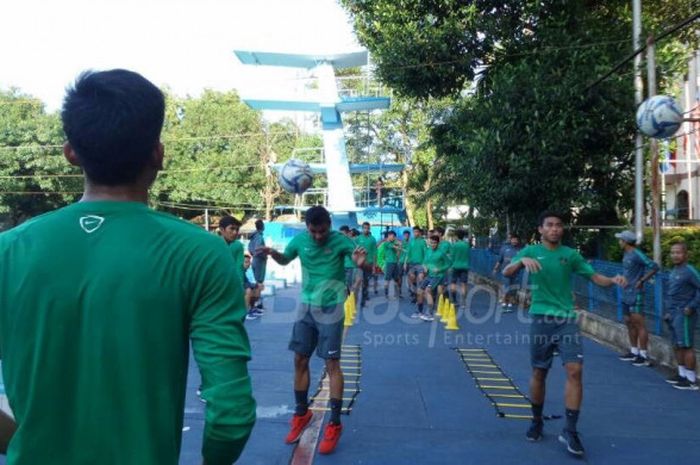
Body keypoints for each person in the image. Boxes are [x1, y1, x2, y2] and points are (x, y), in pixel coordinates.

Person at [0, 69, 255, 465]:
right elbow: (231, 413)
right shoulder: (201, 253)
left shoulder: (8, 250)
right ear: (158, 153)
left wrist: (23, 444)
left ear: (71, 153)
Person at [503, 211, 625, 457]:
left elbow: (593, 276)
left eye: (559, 225)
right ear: (541, 229)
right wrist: (520, 262)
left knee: (575, 370)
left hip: (566, 319)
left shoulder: (570, 255)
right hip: (541, 318)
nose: (555, 229)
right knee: (539, 371)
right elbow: (507, 272)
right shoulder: (530, 251)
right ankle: (537, 420)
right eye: (549, 225)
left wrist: (612, 279)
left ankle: (570, 430)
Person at [259, 206, 366, 455]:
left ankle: (335, 424)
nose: (318, 236)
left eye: (322, 231)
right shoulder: (299, 240)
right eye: (313, 231)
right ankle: (301, 413)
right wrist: (273, 253)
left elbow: (359, 260)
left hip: (332, 308)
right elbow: (286, 259)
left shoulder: (341, 241)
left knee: (332, 363)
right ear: (307, 227)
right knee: (299, 359)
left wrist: (362, 264)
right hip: (306, 307)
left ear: (329, 225)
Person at [614, 230, 659, 366]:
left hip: (636, 293)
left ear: (626, 241)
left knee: (639, 323)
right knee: (628, 322)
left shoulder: (637, 254)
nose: (619, 242)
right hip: (625, 292)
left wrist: (642, 280)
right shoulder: (626, 254)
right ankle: (634, 351)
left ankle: (644, 355)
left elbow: (654, 266)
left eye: (621, 239)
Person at [663, 242, 700, 390]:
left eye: (678, 253)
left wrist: (691, 306)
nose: (675, 255)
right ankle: (682, 374)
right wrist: (667, 311)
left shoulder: (690, 271)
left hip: (684, 314)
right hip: (672, 313)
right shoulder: (674, 270)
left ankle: (691, 380)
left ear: (686, 255)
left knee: (686, 345)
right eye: (673, 253)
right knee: (677, 345)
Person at [414, 234, 450, 321]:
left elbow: (449, 263)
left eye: (434, 243)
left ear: (438, 243)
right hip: (429, 275)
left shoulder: (441, 253)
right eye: (431, 243)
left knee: (428, 291)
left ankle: (429, 314)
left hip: (438, 276)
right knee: (419, 291)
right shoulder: (428, 251)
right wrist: (425, 267)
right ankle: (420, 312)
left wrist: (440, 269)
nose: (432, 244)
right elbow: (424, 262)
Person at [493, 233, 524, 312]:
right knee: (506, 287)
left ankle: (509, 303)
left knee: (512, 288)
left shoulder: (520, 250)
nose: (514, 241)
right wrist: (495, 269)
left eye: (516, 239)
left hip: (515, 273)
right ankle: (503, 304)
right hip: (505, 272)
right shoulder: (504, 249)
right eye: (513, 239)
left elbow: (522, 262)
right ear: (510, 240)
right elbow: (500, 260)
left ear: (518, 240)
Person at [356, 222, 377, 307]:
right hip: (359, 264)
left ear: (369, 229)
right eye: (364, 228)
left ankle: (363, 300)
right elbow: (354, 250)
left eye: (367, 228)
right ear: (362, 228)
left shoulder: (372, 239)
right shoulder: (358, 238)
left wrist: (374, 266)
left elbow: (375, 253)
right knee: (358, 281)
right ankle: (356, 299)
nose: (366, 229)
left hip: (369, 264)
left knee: (365, 282)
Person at [449, 229, 471, 310]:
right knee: (463, 284)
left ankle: (454, 300)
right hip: (464, 266)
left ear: (457, 236)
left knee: (453, 283)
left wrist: (450, 266)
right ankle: (463, 303)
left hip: (455, 266)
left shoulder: (454, 245)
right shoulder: (466, 245)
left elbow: (452, 256)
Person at [248, 219, 267, 309]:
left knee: (257, 282)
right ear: (262, 226)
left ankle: (257, 304)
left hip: (255, 260)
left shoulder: (253, 237)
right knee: (259, 283)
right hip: (259, 261)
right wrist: (264, 255)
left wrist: (254, 254)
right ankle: (257, 304)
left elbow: (250, 248)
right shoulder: (259, 237)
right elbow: (258, 249)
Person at [404, 226, 427, 303]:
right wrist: (405, 263)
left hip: (420, 264)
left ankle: (420, 295)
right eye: (414, 232)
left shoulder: (423, 241)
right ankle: (414, 294)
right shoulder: (411, 241)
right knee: (412, 277)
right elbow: (408, 253)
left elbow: (426, 253)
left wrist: (425, 265)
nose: (415, 233)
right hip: (412, 264)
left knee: (421, 278)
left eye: (417, 232)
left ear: (419, 232)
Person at [383, 230, 403, 298]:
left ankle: (398, 294)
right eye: (392, 236)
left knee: (396, 279)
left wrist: (399, 248)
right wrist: (400, 246)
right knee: (387, 279)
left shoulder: (394, 243)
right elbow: (395, 246)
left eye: (394, 236)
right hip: (389, 263)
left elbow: (398, 253)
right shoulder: (386, 243)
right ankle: (386, 293)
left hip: (395, 263)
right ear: (389, 236)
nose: (393, 238)